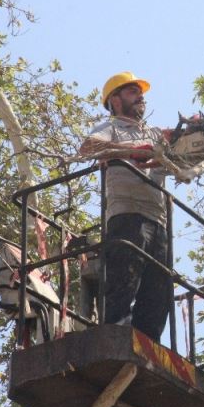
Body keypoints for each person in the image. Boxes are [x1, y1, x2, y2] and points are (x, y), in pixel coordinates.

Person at [79, 71, 170, 342]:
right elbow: (88, 148)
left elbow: (183, 160)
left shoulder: (154, 134)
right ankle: (116, 336)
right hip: (127, 214)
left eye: (140, 93)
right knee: (124, 280)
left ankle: (148, 344)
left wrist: (185, 138)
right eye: (133, 92)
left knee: (159, 290)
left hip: (159, 219)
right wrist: (131, 150)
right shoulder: (112, 128)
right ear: (115, 101)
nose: (140, 97)